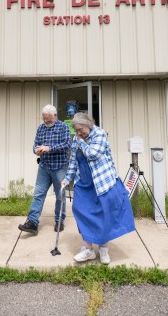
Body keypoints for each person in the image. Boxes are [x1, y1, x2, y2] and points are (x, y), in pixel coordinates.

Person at [61, 112, 135, 265]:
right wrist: (66, 179)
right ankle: (88, 249)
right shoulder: (77, 139)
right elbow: (73, 162)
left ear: (88, 124)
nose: (78, 133)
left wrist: (80, 141)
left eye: (80, 129)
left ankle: (103, 249)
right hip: (84, 182)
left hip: (102, 182)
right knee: (81, 212)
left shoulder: (99, 134)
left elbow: (93, 154)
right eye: (76, 130)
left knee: (103, 215)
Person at [18, 104, 71, 234]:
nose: (46, 121)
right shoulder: (41, 128)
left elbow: (67, 144)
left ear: (55, 116)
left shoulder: (63, 127)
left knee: (60, 196)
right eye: (44, 119)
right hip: (44, 167)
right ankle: (32, 222)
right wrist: (36, 151)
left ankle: (59, 221)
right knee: (38, 194)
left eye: (48, 119)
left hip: (59, 167)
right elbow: (35, 144)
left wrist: (49, 148)